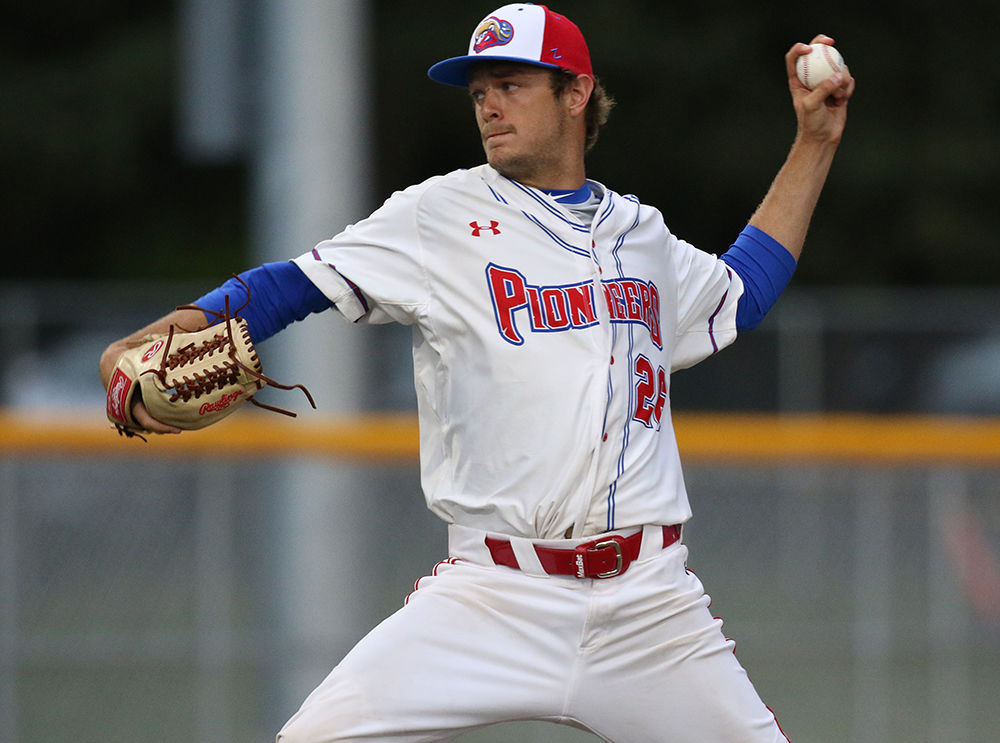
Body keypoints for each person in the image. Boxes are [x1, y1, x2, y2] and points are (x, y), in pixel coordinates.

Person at [99, 4, 854, 741]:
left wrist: (814, 141)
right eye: (479, 90)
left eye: (511, 83)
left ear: (576, 93)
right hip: (495, 594)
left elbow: (741, 292)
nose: (489, 104)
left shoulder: (641, 233)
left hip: (649, 608)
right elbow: (286, 286)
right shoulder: (441, 215)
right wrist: (148, 339)